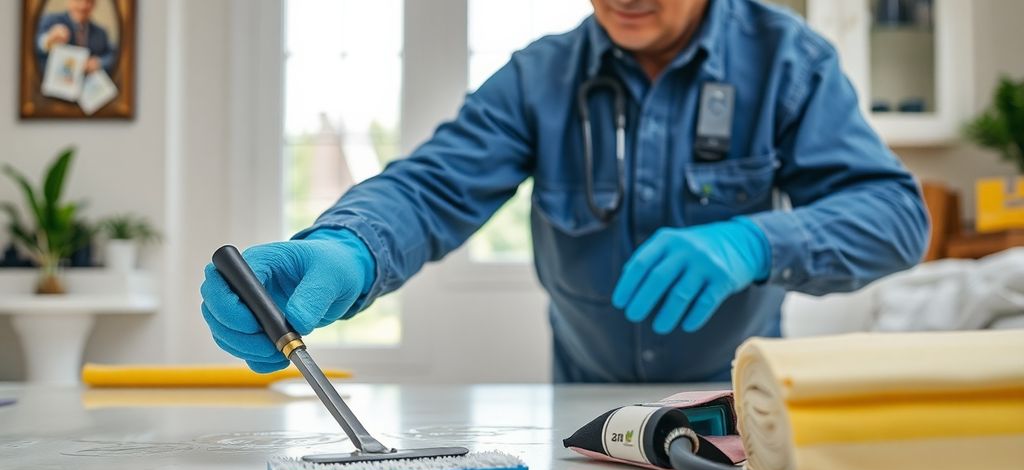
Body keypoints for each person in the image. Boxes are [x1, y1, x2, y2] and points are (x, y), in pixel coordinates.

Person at [201, 0, 929, 383]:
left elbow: (897, 217)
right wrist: (348, 248)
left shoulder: (789, 61)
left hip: (738, 407)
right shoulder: (540, 75)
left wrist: (756, 242)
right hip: (580, 412)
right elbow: (430, 189)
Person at [36, 0, 117, 75]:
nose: (82, 6)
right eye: (78, 0)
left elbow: (113, 55)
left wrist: (98, 63)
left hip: (87, 86)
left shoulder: (100, 33)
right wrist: (48, 40)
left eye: (88, 1)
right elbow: (33, 43)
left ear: (94, 4)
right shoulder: (51, 20)